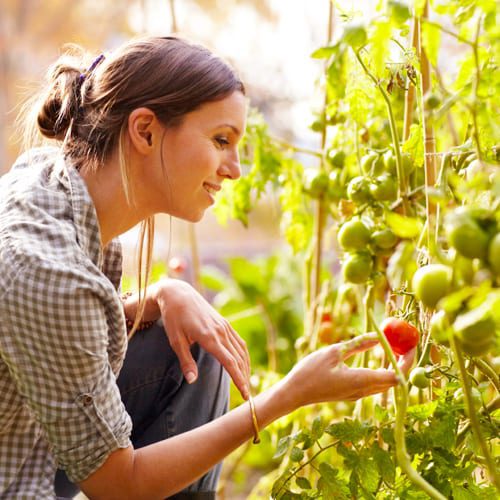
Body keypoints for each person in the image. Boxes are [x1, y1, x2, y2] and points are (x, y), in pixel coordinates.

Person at [0, 36, 415, 499]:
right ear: (145, 131)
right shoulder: (46, 267)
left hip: (28, 446)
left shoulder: (48, 181)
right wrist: (286, 397)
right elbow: (118, 484)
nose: (235, 169)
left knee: (196, 341)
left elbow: (49, 336)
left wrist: (160, 296)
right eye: (221, 140)